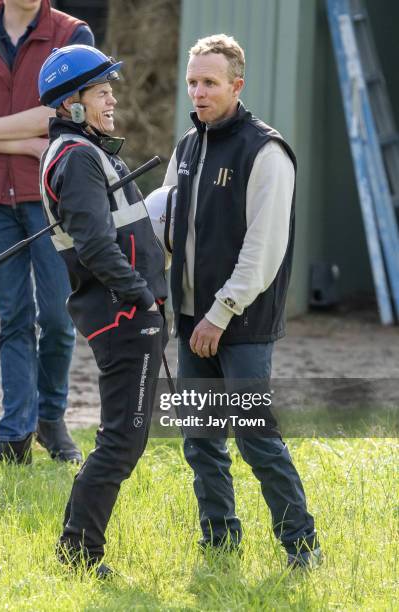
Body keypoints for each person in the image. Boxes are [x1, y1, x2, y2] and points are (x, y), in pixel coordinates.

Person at [163, 34, 321, 569]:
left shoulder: (266, 150)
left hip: (242, 321)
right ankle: (219, 541)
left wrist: (220, 311)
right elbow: (167, 224)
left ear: (237, 85)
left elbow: (265, 247)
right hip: (190, 321)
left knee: (256, 437)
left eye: (209, 82)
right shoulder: (187, 148)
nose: (199, 92)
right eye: (192, 82)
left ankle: (301, 546)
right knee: (200, 440)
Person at [38, 44, 168, 576]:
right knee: (122, 440)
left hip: (127, 314)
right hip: (123, 318)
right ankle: (80, 553)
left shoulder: (88, 152)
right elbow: (94, 245)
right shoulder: (78, 159)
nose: (112, 97)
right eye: (100, 90)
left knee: (122, 437)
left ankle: (74, 544)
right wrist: (141, 296)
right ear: (71, 104)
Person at [0, 0, 94, 464]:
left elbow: (59, 118)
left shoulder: (73, 35)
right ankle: (14, 436)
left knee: (55, 316)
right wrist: (25, 140)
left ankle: (51, 422)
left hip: (49, 196)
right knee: (13, 319)